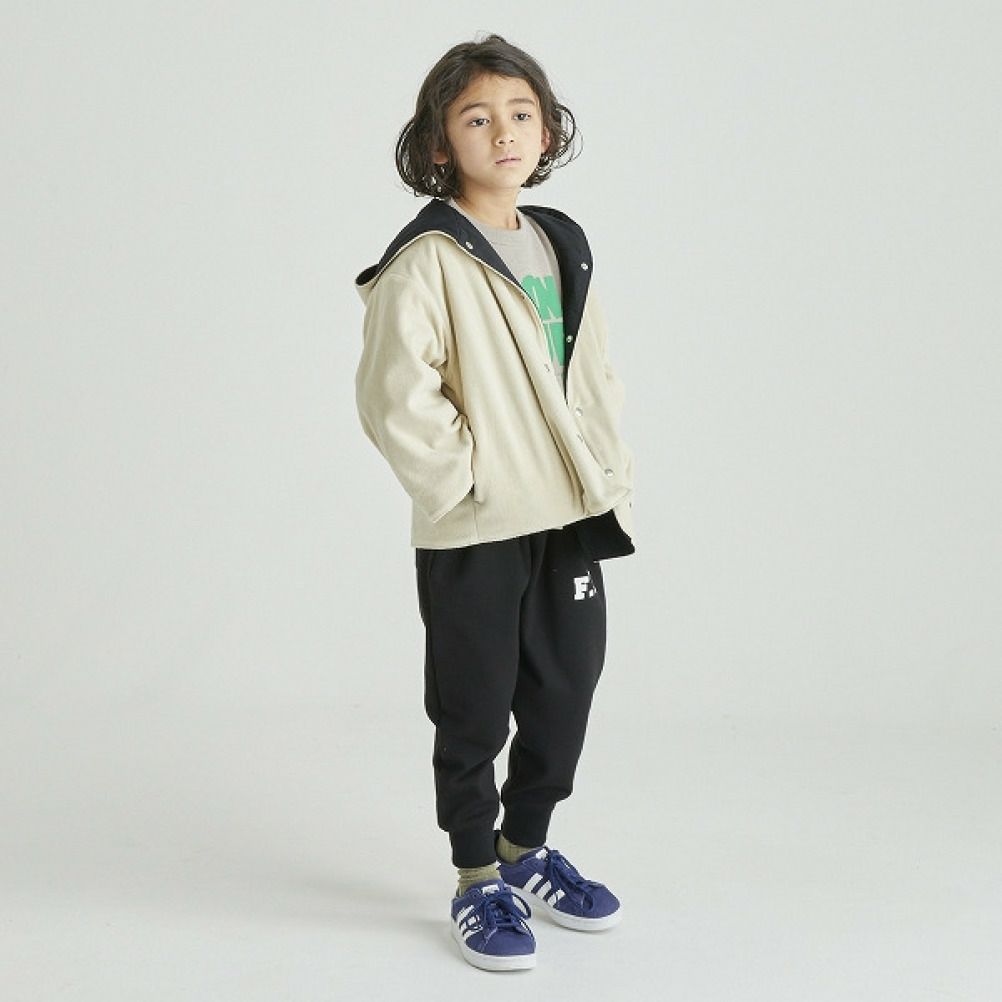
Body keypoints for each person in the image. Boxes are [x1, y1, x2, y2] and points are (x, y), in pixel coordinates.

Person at [353, 32, 636, 972]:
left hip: (570, 514)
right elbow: (395, 397)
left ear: (548, 131)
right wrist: (464, 487)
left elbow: (591, 372)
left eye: (521, 114)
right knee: (474, 705)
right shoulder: (427, 257)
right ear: (441, 144)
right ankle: (477, 876)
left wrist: (607, 468)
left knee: (566, 689)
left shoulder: (561, 242)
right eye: (477, 119)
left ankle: (526, 849)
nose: (504, 132)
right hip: (478, 526)